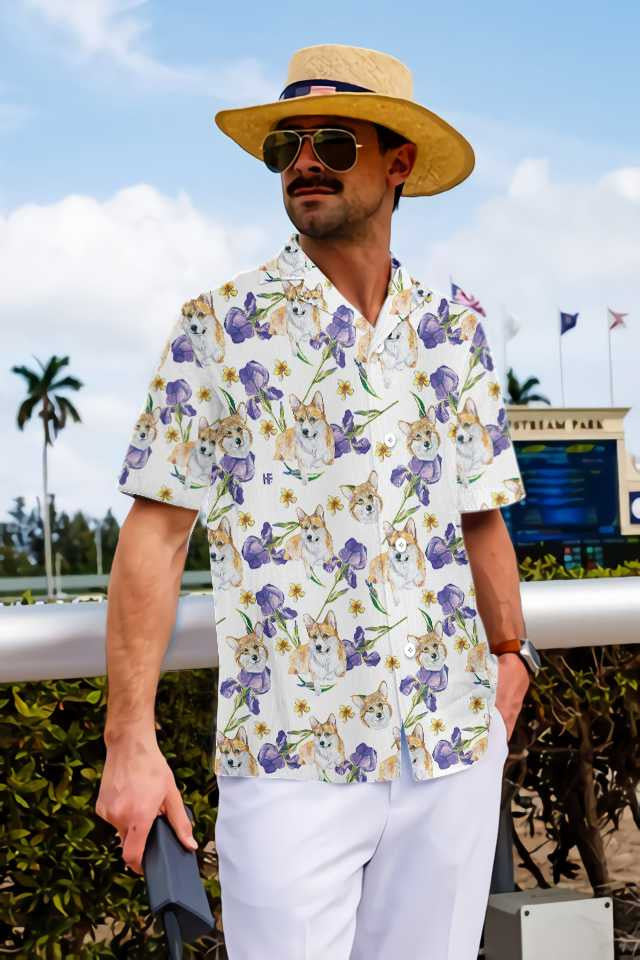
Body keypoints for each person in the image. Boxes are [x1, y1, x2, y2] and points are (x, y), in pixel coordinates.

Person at [97, 42, 541, 959]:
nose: (304, 162)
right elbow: (156, 536)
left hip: (451, 749)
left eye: (333, 143)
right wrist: (128, 741)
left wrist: (514, 655)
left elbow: (481, 511)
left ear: (398, 163)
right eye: (286, 146)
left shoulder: (455, 327)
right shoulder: (219, 327)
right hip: (289, 759)